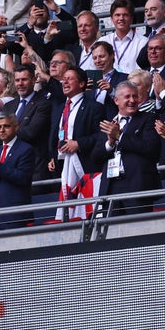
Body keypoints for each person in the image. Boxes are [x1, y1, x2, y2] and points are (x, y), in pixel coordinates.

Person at [95, 81, 160, 215]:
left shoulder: (148, 118)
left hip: (137, 185)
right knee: (111, 233)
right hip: (111, 186)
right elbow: (95, 156)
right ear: (116, 100)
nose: (132, 100)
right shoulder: (109, 123)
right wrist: (110, 143)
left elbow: (150, 148)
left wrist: (119, 136)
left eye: (135, 96)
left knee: (139, 230)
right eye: (127, 97)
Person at [49, 67, 105, 220]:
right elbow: (54, 134)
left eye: (69, 78)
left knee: (87, 210)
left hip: (86, 165)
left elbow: (100, 135)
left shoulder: (94, 107)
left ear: (81, 84)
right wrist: (53, 156)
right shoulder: (60, 107)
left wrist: (79, 143)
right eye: (63, 79)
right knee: (68, 209)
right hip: (64, 164)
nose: (64, 82)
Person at [0, 112, 34, 229]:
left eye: (6, 126)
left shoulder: (25, 149)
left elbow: (23, 178)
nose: (2, 130)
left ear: (16, 127)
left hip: (15, 214)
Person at [2, 65, 52, 180]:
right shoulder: (8, 106)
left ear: (34, 80)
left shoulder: (43, 104)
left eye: (24, 80)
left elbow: (31, 132)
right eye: (17, 80)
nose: (20, 83)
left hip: (34, 166)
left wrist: (7, 132)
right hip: (11, 165)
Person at [101, 0, 147, 74]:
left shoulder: (142, 42)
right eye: (117, 15)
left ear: (132, 18)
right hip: (107, 84)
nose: (121, 18)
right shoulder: (103, 41)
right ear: (112, 18)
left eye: (125, 15)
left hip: (133, 84)